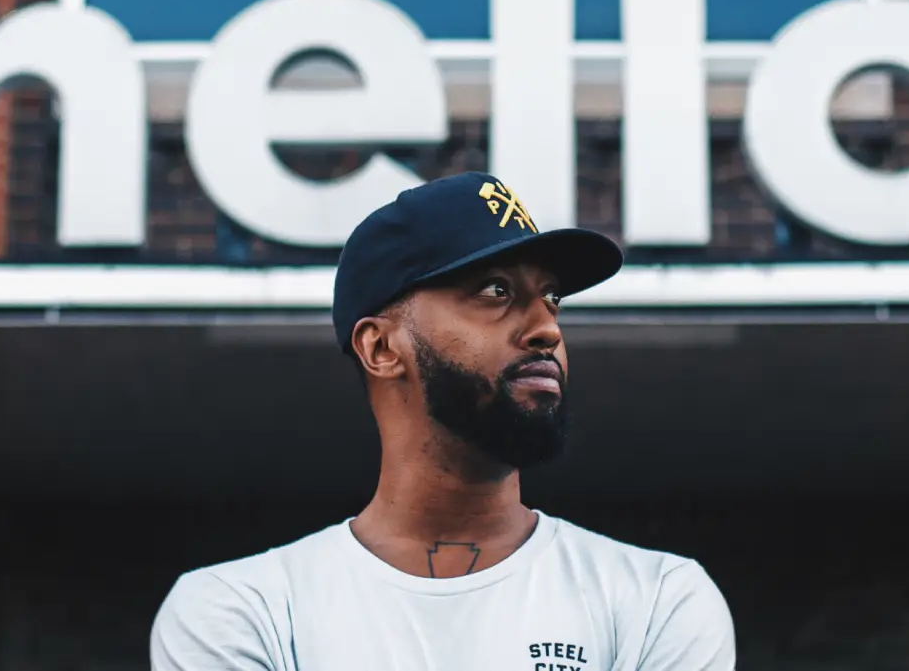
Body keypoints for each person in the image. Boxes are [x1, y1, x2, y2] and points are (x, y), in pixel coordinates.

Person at [150, 171, 736, 670]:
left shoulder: (658, 599)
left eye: (552, 297)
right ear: (381, 348)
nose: (547, 328)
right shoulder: (239, 610)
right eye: (496, 290)